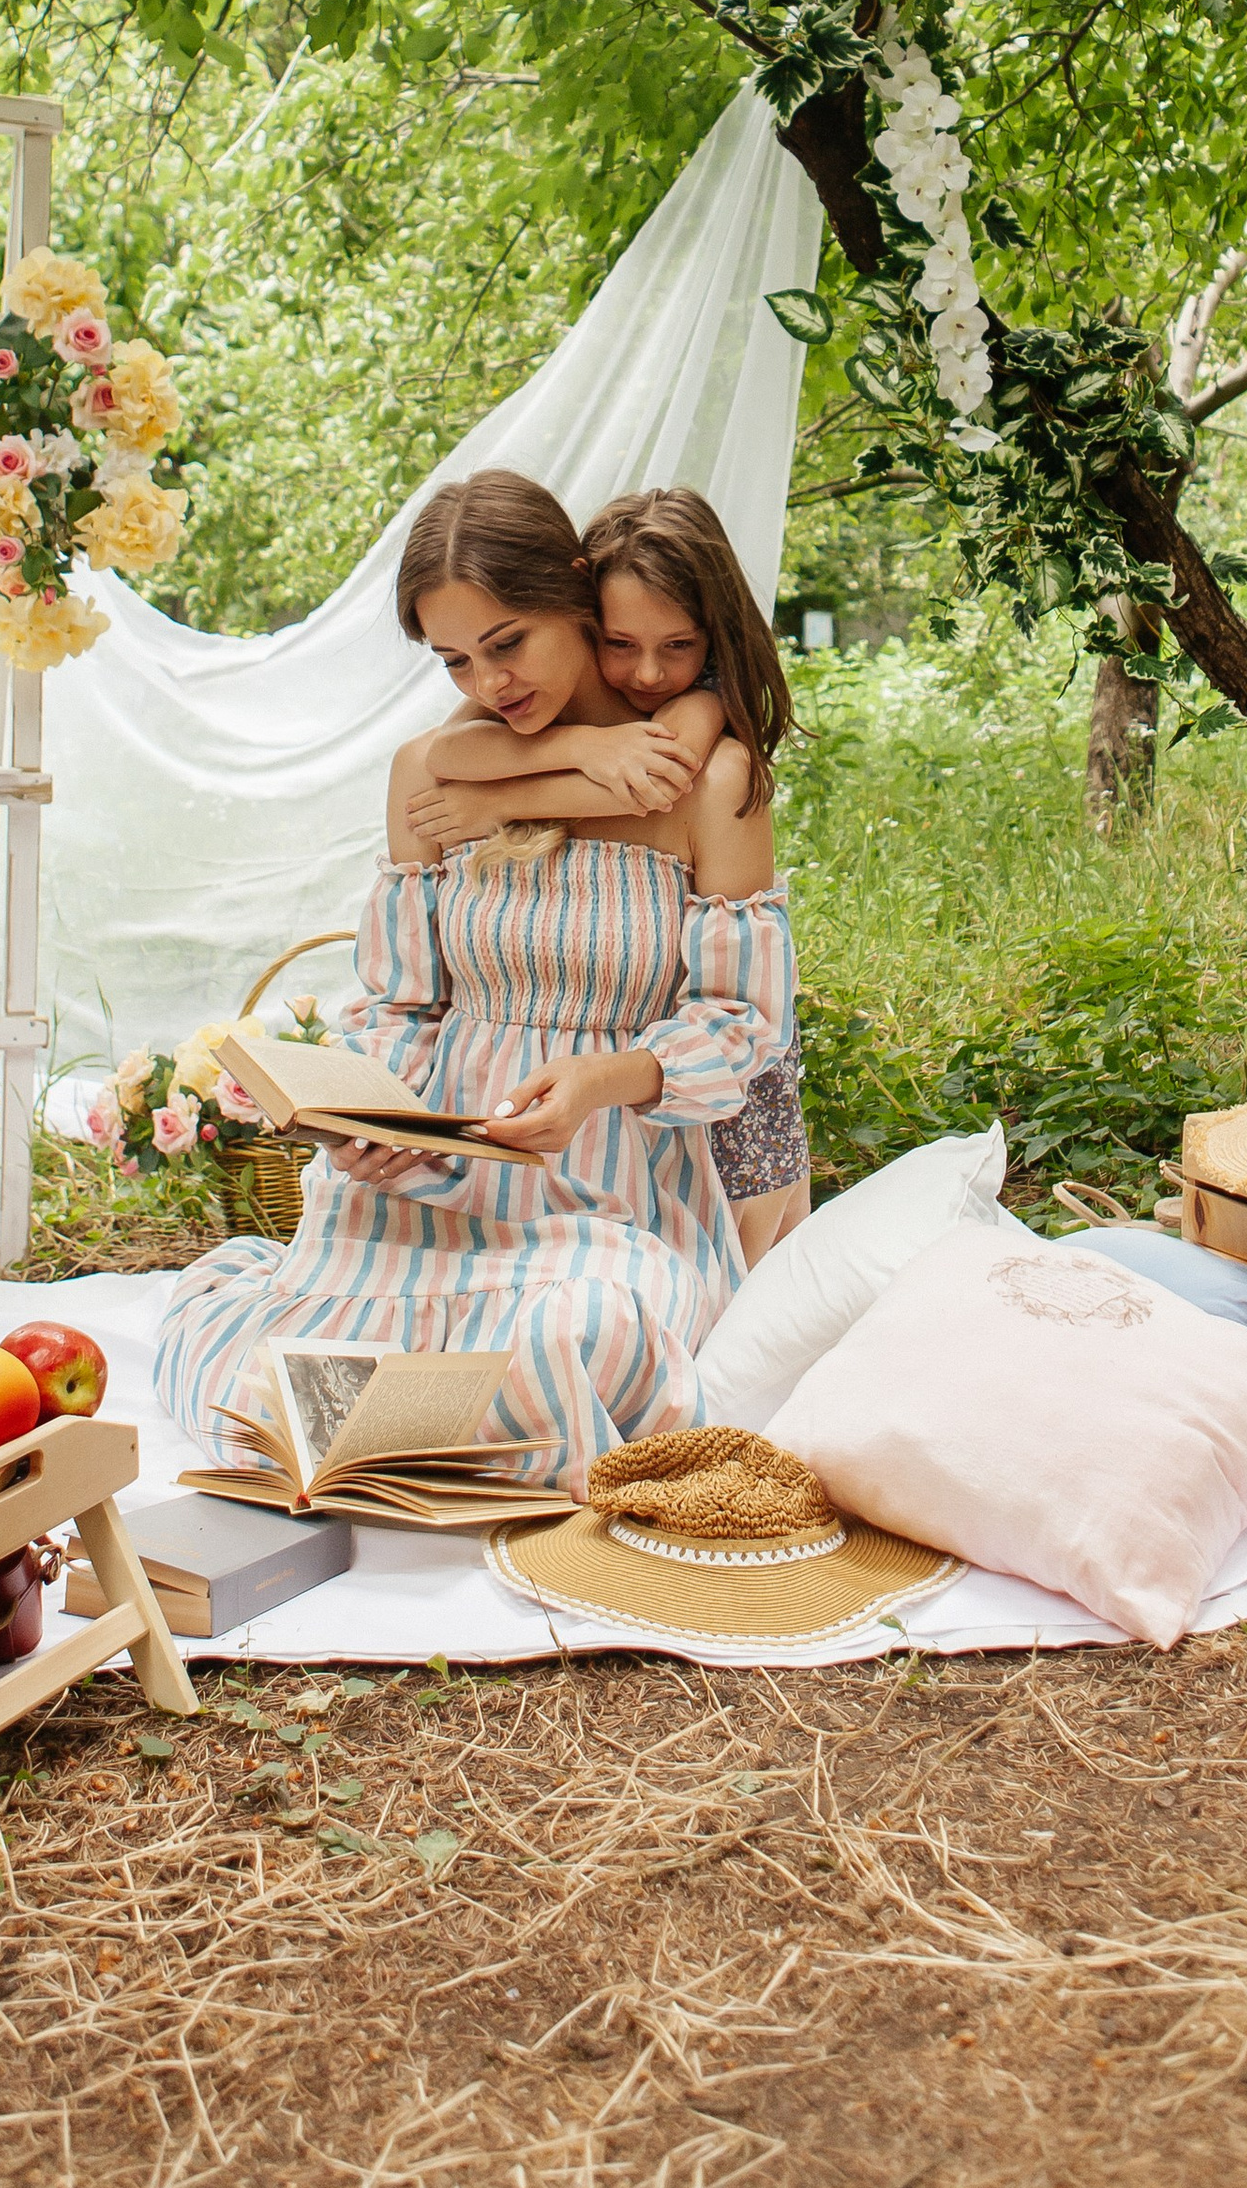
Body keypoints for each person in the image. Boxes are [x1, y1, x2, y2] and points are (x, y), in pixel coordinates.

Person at [150, 471, 792, 1487]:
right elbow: (405, 1002)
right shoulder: (430, 776)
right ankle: (414, 1430)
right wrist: (374, 1117)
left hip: (609, 1191)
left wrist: (601, 1081)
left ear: (578, 602)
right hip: (431, 1182)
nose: (490, 683)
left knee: (576, 1336)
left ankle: (416, 1428)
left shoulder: (705, 781)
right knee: (236, 1357)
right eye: (455, 659)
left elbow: (742, 1024)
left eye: (508, 644)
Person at [402, 486, 813, 1263]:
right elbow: (446, 758)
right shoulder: (488, 745)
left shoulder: (698, 735)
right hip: (496, 1166)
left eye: (678, 647)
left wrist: (505, 808)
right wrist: (580, 751)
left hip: (707, 1125)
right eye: (621, 644)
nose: (648, 673)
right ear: (589, 604)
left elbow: (663, 783)